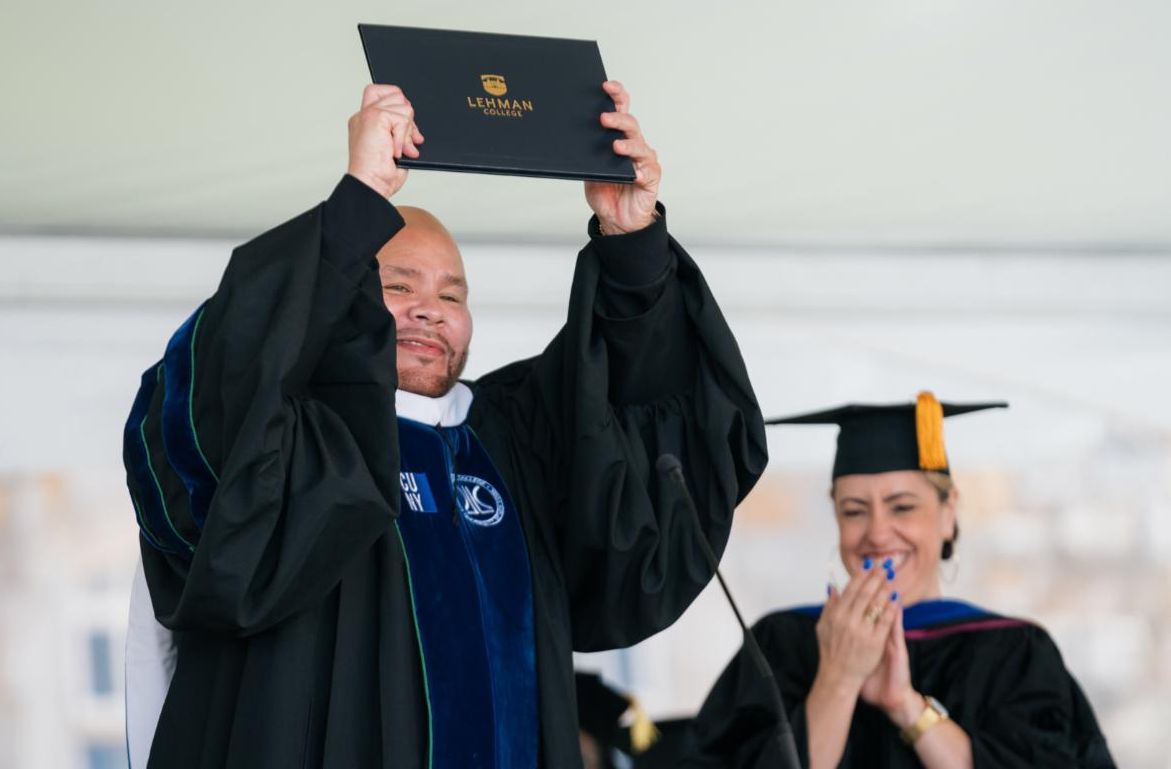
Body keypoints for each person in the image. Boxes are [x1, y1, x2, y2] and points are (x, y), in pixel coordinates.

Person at [120, 79, 767, 768]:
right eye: (397, 285)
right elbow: (232, 373)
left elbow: (642, 415)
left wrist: (631, 241)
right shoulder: (293, 440)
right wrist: (356, 203)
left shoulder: (515, 441)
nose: (429, 309)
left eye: (451, 294)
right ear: (338, 291)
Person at [680, 392, 1116, 769]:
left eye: (903, 507)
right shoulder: (779, 645)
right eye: (854, 510)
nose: (877, 532)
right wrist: (838, 679)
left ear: (948, 514)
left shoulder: (1013, 653)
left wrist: (906, 705)